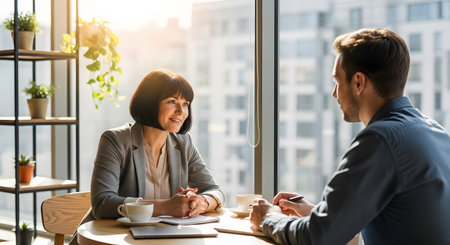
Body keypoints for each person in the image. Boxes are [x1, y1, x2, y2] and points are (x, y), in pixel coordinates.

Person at [250, 28, 450, 245]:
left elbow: (317, 238)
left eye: (337, 81)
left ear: (358, 82)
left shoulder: (379, 140)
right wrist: (318, 213)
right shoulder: (433, 131)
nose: (335, 93)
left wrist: (268, 218)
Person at [70, 69, 224, 244]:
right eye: (172, 101)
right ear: (150, 103)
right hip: (110, 240)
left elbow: (214, 190)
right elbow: (102, 203)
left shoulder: (184, 144)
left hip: (160, 239)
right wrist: (167, 206)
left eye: (186, 103)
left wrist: (201, 202)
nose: (181, 110)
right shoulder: (115, 140)